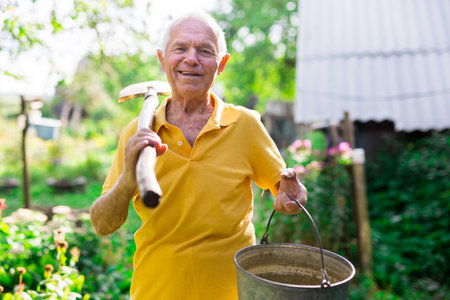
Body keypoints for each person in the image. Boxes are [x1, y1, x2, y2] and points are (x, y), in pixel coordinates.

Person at [90, 12, 307, 300]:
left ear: (222, 65)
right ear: (162, 58)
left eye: (205, 51)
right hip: (156, 292)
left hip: (233, 293)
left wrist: (290, 197)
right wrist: (128, 178)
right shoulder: (138, 134)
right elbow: (103, 224)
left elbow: (283, 191)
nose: (191, 59)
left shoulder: (245, 125)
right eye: (180, 49)